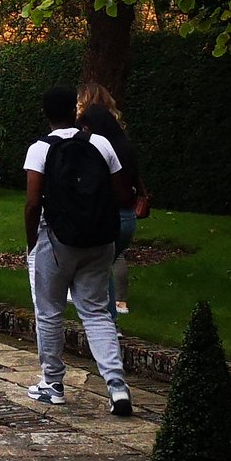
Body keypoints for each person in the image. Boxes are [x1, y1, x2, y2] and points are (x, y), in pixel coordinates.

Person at [24, 85, 134, 415]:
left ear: (45, 113)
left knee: (50, 310)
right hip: (99, 240)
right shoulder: (100, 143)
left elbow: (32, 203)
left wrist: (33, 244)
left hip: (56, 240)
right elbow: (121, 192)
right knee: (96, 311)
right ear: (74, 110)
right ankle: (116, 385)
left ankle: (53, 383)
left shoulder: (40, 149)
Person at [76, 84, 147, 322]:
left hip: (110, 214)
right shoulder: (122, 141)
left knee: (97, 267)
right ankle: (117, 306)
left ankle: (107, 322)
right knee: (111, 260)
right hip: (127, 216)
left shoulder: (97, 147)